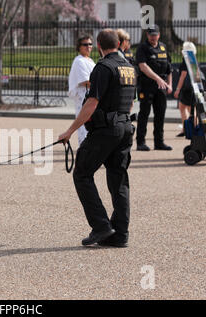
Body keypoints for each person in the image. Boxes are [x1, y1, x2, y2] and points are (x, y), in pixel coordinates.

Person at [58, 29, 136, 247]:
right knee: (118, 179)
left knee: (82, 173)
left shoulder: (103, 67)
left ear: (100, 47)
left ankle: (101, 226)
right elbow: (129, 104)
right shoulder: (129, 67)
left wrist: (70, 131)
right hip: (125, 127)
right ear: (119, 44)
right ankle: (120, 235)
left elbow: (91, 103)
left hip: (105, 129)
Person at [135, 25, 173, 151]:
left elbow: (169, 68)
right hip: (147, 85)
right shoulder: (143, 48)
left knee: (160, 114)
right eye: (151, 34)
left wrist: (170, 84)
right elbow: (143, 66)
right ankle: (141, 142)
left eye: (155, 34)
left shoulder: (163, 47)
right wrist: (158, 79)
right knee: (144, 114)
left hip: (161, 86)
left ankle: (159, 142)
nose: (153, 37)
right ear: (147, 35)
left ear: (159, 35)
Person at [68, 35, 95, 145]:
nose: (88, 46)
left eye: (90, 44)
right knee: (83, 124)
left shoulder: (90, 60)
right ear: (79, 47)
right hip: (83, 96)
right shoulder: (79, 61)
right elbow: (85, 81)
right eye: (85, 44)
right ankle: (83, 148)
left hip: (91, 96)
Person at [174, 41, 197, 137]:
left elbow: (182, 76)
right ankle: (194, 128)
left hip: (186, 88)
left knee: (182, 107)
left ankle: (186, 128)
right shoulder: (193, 59)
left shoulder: (186, 59)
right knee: (192, 109)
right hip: (194, 87)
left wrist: (178, 89)